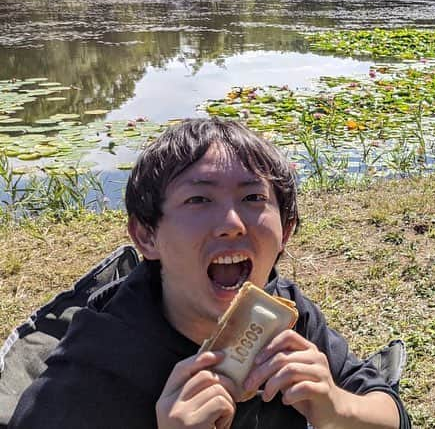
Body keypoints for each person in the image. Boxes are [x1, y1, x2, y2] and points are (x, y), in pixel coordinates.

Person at [10, 118, 410, 429]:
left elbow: (389, 411)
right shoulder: (90, 377)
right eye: (199, 198)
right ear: (146, 236)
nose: (232, 222)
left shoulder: (284, 317)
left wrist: (336, 408)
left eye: (253, 198)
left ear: (285, 232)